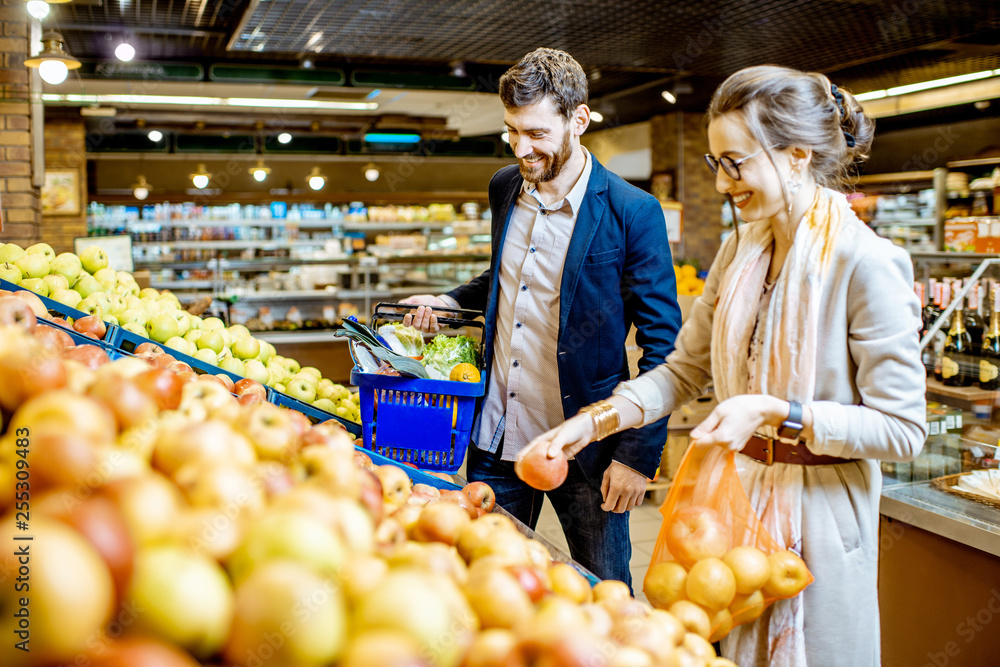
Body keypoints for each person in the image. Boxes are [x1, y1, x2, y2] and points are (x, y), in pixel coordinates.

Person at [520, 65, 927, 665]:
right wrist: (594, 422)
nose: (722, 185)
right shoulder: (740, 250)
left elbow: (904, 431)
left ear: (795, 156)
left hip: (819, 521)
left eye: (736, 163)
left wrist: (776, 412)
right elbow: (683, 370)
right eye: (717, 163)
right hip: (732, 511)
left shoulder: (866, 264)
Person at [402, 47, 682, 585]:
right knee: (489, 584)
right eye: (511, 131)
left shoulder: (632, 212)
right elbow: (507, 281)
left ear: (578, 119)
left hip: (587, 450)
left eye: (535, 133)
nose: (520, 148)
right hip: (497, 441)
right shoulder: (505, 187)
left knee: (604, 595)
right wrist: (450, 303)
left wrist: (637, 456)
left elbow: (663, 348)